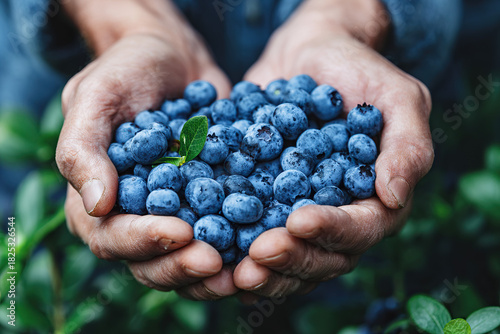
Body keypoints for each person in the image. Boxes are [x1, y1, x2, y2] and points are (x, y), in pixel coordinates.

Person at [1, 0, 496, 301]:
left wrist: (353, 18)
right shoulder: (175, 157)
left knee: (339, 257)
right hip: (40, 76)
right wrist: (127, 23)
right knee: (26, 247)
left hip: (397, 51)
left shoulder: (309, 146)